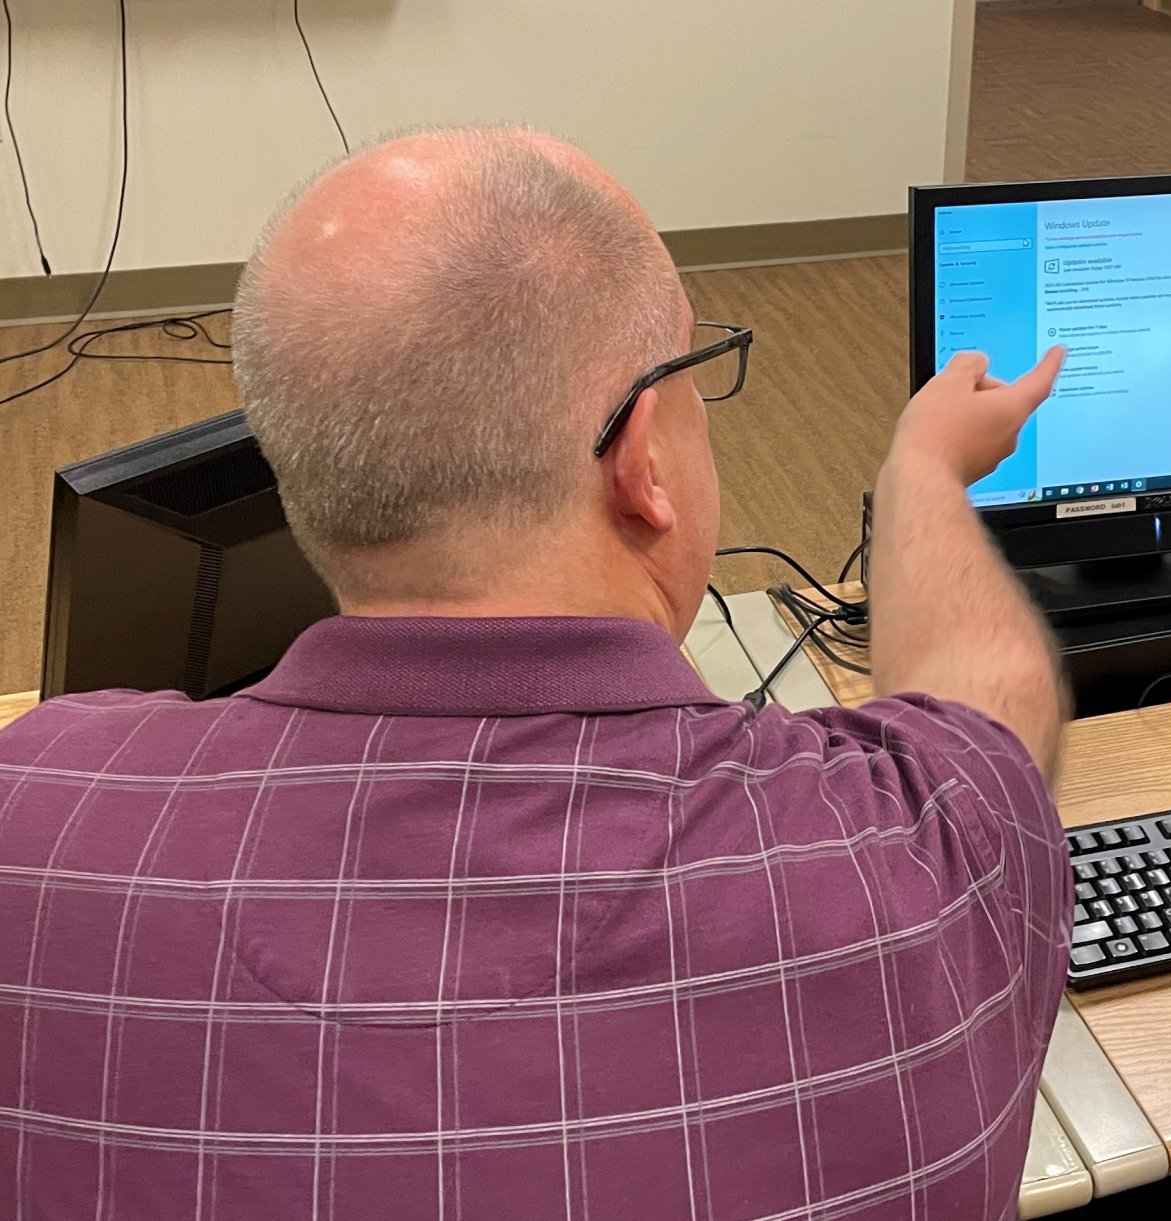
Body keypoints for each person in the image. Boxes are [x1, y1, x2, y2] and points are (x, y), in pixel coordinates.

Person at [0, 129, 1074, 1220]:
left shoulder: (33, 805)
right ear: (641, 461)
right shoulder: (927, 850)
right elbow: (988, 695)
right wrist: (926, 473)